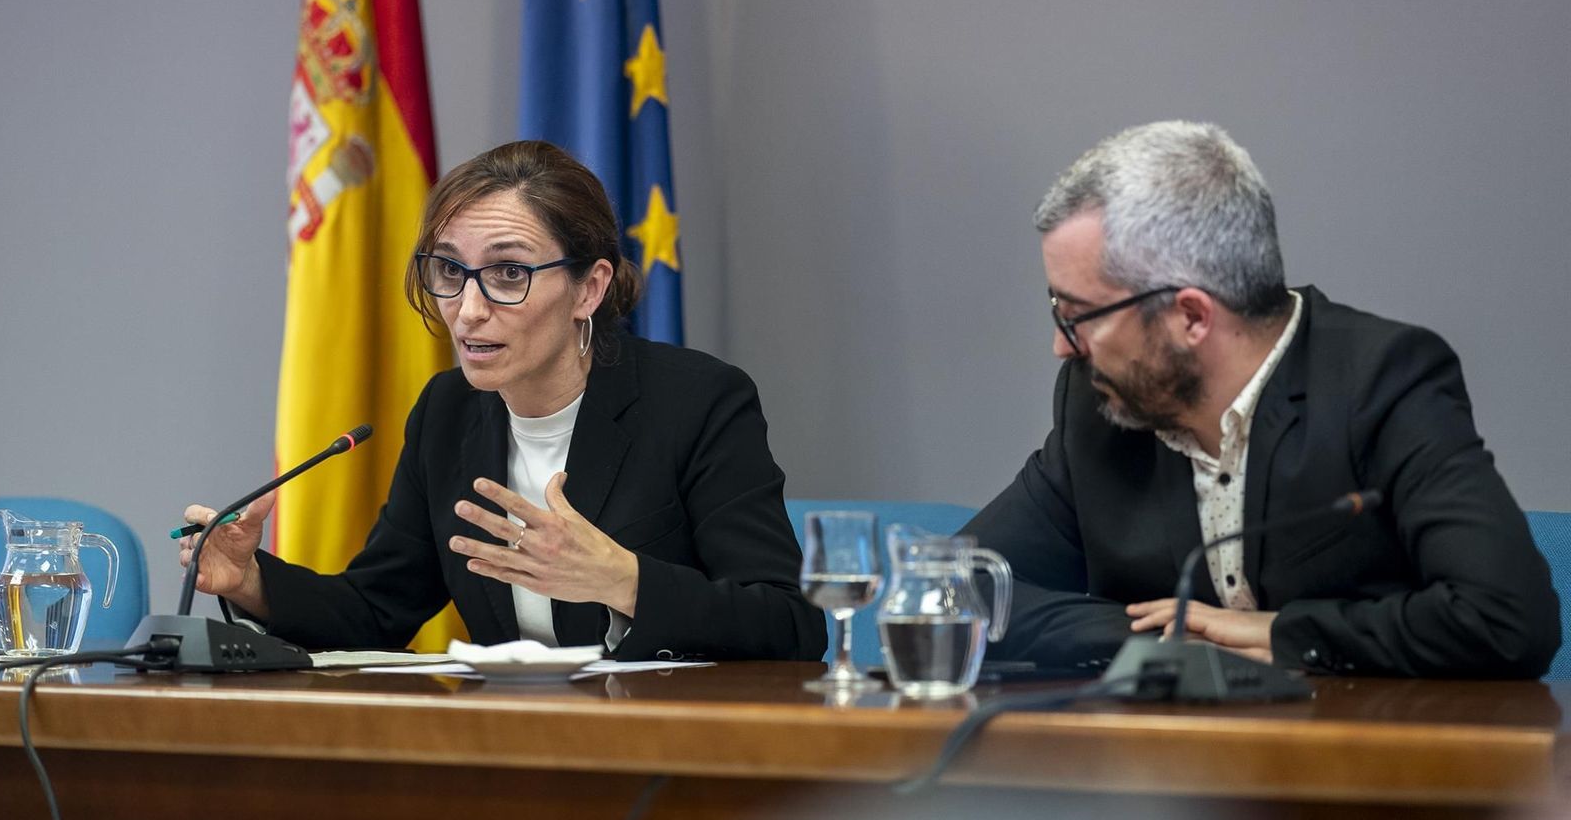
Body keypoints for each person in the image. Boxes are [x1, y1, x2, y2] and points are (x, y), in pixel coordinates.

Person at [182, 140, 826, 662]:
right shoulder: (449, 410)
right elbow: (378, 610)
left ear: (588, 290)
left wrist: (622, 579)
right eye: (450, 271)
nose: (468, 310)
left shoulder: (698, 402)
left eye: (509, 273)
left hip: (667, 761)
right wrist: (252, 582)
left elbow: (791, 625)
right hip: (511, 753)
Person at [964, 121, 1558, 677]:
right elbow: (958, 587)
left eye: (1079, 317)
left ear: (1191, 316)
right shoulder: (1099, 407)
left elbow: (1507, 619)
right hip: (1173, 772)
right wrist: (1157, 639)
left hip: (1373, 761)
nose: (1062, 349)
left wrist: (1282, 635)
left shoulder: (1380, 381)